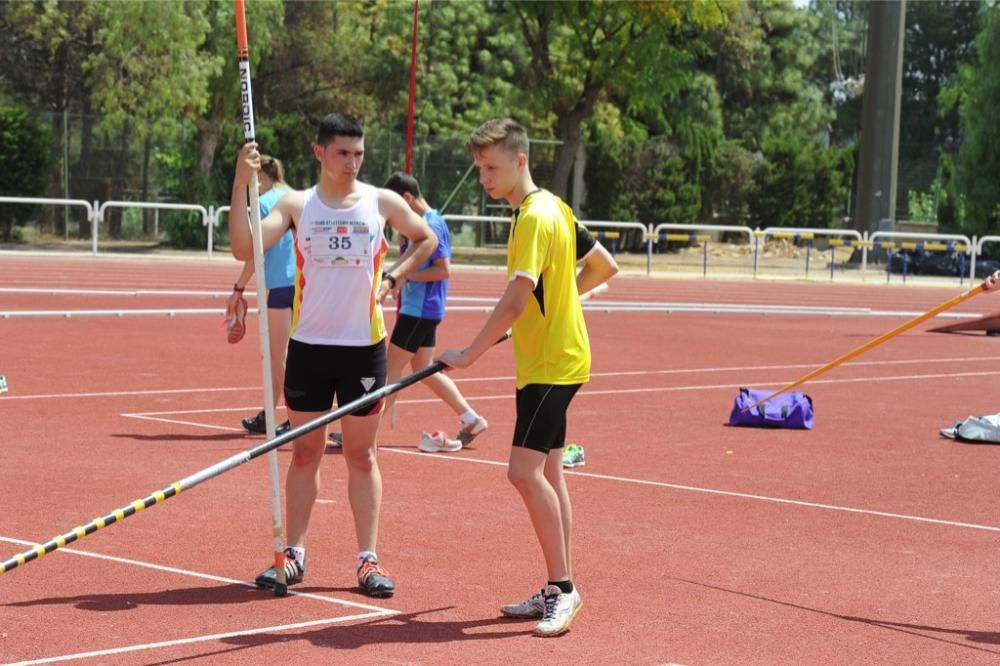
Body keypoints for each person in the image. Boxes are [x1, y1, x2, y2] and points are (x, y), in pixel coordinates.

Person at [228, 112, 437, 598]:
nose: (352, 162)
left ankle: (368, 561)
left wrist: (395, 275)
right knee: (305, 452)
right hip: (309, 349)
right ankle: (293, 554)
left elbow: (427, 238)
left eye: (359, 154)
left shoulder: (380, 202)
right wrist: (241, 180)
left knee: (362, 456)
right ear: (319, 152)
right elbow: (244, 246)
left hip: (363, 352)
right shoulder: (299, 205)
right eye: (343, 153)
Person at [439, 118, 618, 637]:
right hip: (551, 357)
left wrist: (469, 353)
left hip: (551, 366)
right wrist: (559, 305)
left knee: (522, 473)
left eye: (491, 167)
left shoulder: (536, 218)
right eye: (478, 169)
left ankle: (563, 590)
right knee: (550, 474)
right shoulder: (552, 208)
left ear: (521, 160)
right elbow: (604, 266)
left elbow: (518, 297)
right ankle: (557, 584)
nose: (484, 179)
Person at [378, 171, 487, 452]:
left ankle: (366, 431)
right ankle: (470, 418)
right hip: (422, 308)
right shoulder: (422, 223)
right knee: (423, 369)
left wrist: (403, 278)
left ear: (407, 198)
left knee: (391, 367)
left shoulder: (432, 226)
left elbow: (443, 270)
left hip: (420, 310)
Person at [226, 154, 295, 436]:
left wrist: (239, 287)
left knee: (280, 357)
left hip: (278, 285)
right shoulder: (293, 196)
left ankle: (298, 417)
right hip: (301, 285)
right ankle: (270, 413)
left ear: (261, 179)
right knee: (280, 356)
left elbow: (255, 250)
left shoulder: (263, 203)